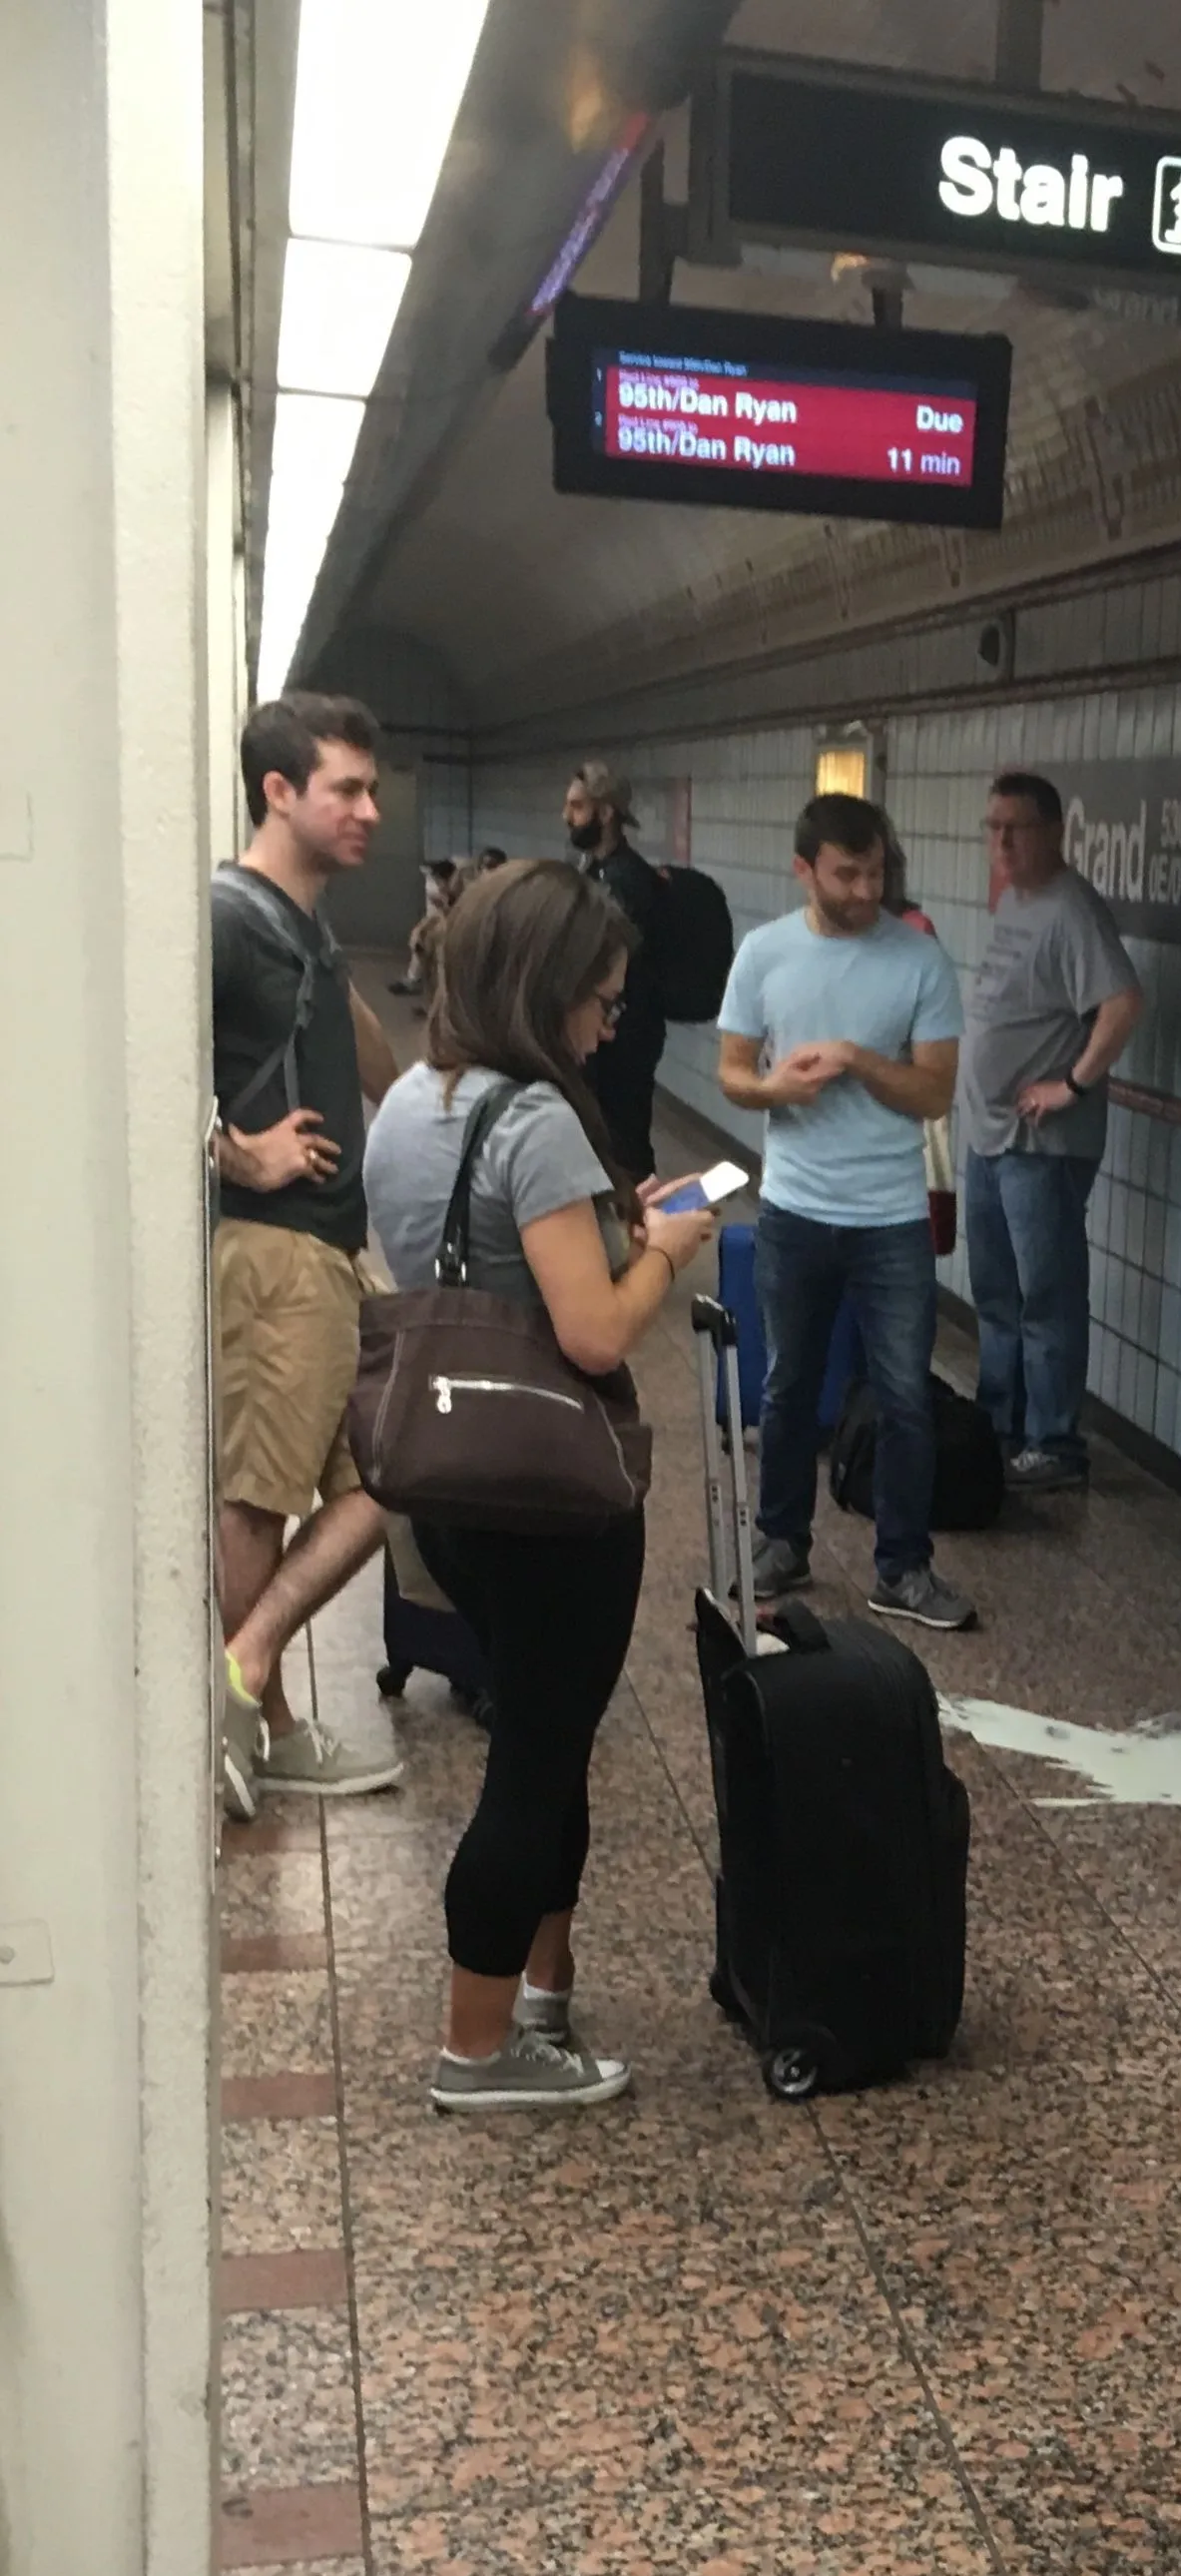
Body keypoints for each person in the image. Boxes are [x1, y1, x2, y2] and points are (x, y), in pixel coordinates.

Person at [364, 860, 717, 2111]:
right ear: (543, 985)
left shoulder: (411, 1102)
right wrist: (666, 1249)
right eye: (601, 1000)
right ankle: (477, 2046)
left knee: (546, 1737)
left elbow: (472, 1259)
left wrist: (610, 1227)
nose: (609, 1026)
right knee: (534, 1759)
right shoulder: (538, 1120)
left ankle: (542, 1997)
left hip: (452, 1476)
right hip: (551, 1490)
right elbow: (594, 1331)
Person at [212, 693, 407, 1819]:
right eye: (348, 789)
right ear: (279, 791)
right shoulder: (230, 917)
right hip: (273, 1252)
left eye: (373, 789)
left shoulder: (302, 925)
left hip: (331, 1245)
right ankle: (265, 1723)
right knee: (262, 1496)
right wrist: (234, 1151)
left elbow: (371, 1058)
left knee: (392, 1469)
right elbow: (149, 1058)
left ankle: (243, 1676)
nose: (369, 810)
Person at [717, 793, 975, 1631]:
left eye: (876, 873)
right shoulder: (765, 953)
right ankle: (780, 1540)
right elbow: (732, 1073)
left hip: (890, 1215)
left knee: (904, 1396)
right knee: (788, 1384)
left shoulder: (919, 961)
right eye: (847, 874)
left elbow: (933, 1093)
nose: (866, 890)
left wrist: (860, 1060)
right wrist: (776, 1088)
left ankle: (902, 1566)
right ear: (805, 870)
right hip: (794, 1207)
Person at [959, 772, 1144, 1492]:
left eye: (1018, 827)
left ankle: (1054, 1443)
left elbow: (1122, 1004)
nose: (1002, 841)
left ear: (1054, 832)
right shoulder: (1016, 900)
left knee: (1046, 1296)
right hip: (991, 1136)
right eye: (994, 827)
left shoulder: (1071, 909)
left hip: (1041, 1147)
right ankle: (1001, 1425)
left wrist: (1071, 1084)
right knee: (997, 1293)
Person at [565, 762, 666, 1182]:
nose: (567, 816)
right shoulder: (596, 870)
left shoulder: (626, 880)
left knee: (623, 1139)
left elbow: (613, 960)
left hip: (624, 1034)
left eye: (577, 806)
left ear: (606, 812)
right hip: (604, 1025)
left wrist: (604, 1017)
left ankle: (639, 1208)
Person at [390, 858, 458, 996]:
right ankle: (416, 982)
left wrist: (445, 904)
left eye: (439, 880)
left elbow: (450, 913)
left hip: (449, 931)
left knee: (441, 964)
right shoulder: (437, 890)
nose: (438, 884)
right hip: (436, 927)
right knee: (420, 949)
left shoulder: (455, 891)